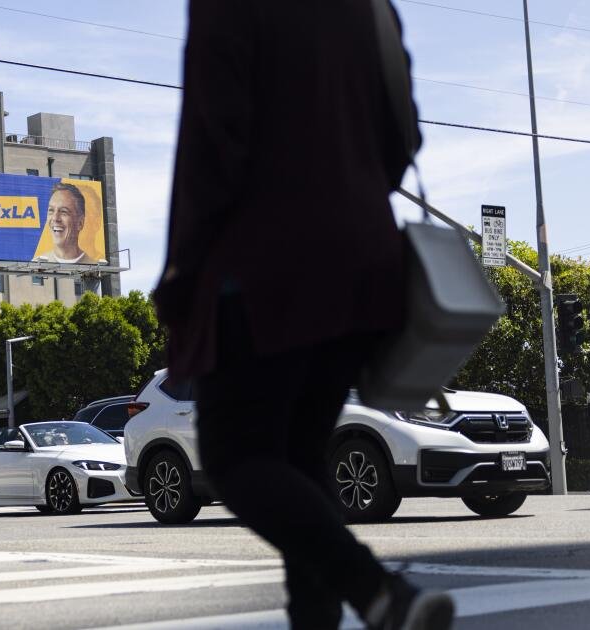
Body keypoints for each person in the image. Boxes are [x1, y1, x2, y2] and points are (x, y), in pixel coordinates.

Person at [155, 2, 453, 629]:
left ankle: (379, 592)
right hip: (364, 258)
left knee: (235, 458)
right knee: (298, 461)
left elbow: (212, 142)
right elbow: (404, 134)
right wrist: (348, 190)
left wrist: (182, 269)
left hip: (262, 264)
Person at [39, 182, 90, 263]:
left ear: (80, 223)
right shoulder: (35, 263)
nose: (55, 218)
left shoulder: (94, 265)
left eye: (63, 211)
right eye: (51, 210)